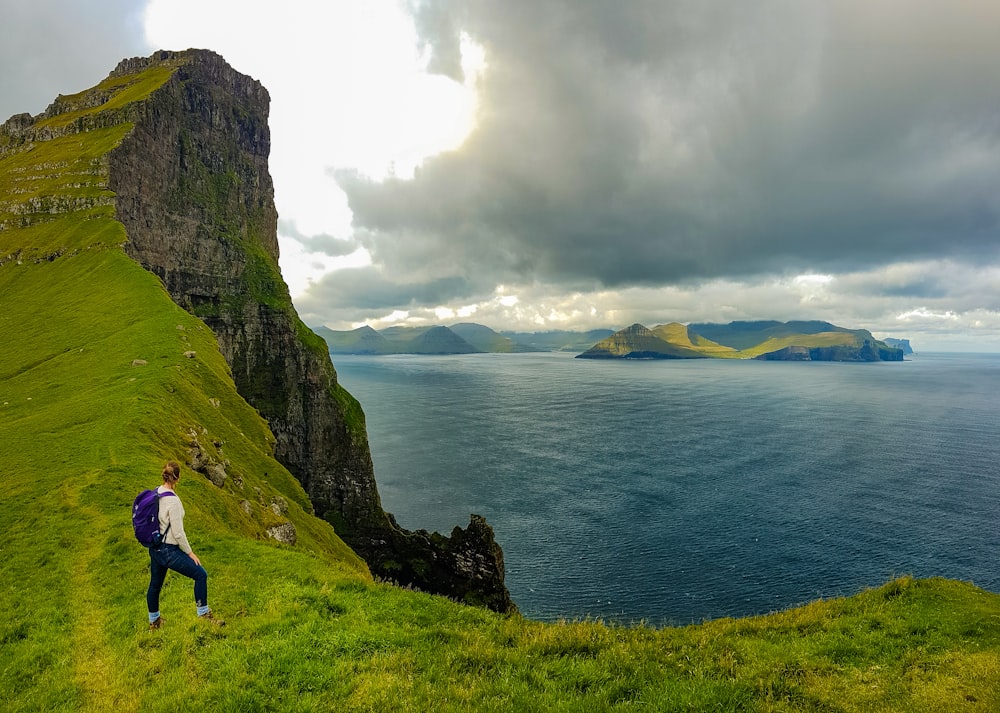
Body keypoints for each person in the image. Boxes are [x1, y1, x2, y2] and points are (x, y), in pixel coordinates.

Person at [147, 461, 224, 629]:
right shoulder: (173, 501)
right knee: (200, 575)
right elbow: (178, 533)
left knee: (155, 585)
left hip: (156, 548)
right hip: (169, 550)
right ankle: (204, 614)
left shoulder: (156, 492)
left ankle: (154, 621)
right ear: (178, 477)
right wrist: (190, 553)